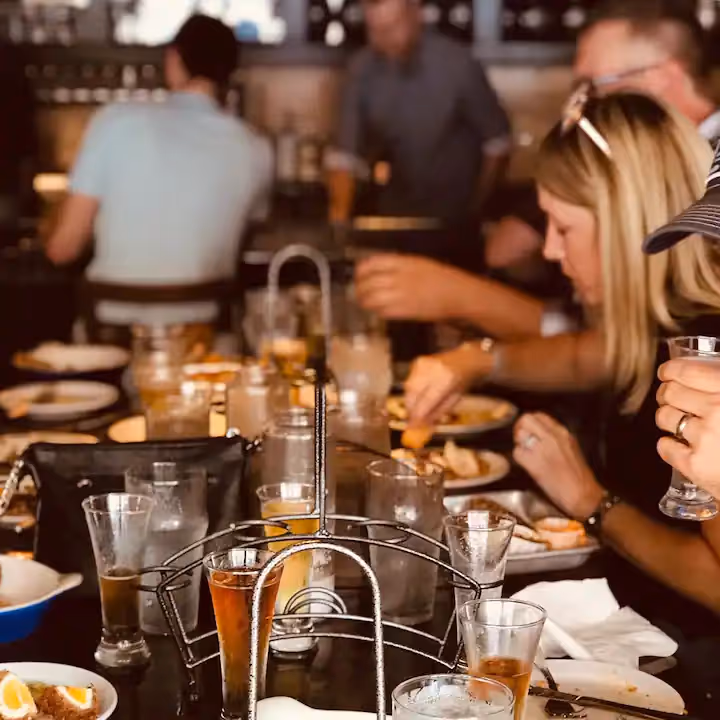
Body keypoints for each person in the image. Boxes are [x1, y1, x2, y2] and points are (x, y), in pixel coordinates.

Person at [405, 93, 720, 644]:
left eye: (564, 227)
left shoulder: (702, 360)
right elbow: (584, 355)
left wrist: (592, 503)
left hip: (682, 652)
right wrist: (474, 359)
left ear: (624, 226)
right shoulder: (658, 328)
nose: (550, 249)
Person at [46, 14, 272, 330]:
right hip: (206, 340)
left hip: (112, 336)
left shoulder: (114, 122)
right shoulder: (256, 148)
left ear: (173, 60)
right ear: (230, 72)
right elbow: (249, 231)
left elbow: (63, 249)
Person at [327, 0, 511, 226]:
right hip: (394, 215)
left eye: (393, 28)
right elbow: (345, 157)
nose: (386, 40)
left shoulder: (457, 63)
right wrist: (338, 224)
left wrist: (477, 208)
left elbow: (498, 143)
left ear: (416, 13)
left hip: (455, 217)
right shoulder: (361, 69)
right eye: (377, 32)